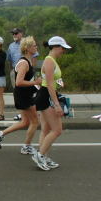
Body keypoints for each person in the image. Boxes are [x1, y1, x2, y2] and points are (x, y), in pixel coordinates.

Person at [0, 36, 42, 153]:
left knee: (25, 122)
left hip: (24, 95)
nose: (36, 47)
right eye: (34, 45)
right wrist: (35, 82)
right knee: (35, 122)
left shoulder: (28, 61)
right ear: (28, 48)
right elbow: (18, 82)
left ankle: (0, 133)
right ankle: (26, 146)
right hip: (23, 96)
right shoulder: (24, 63)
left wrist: (35, 82)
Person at [32, 36, 71, 171]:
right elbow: (48, 84)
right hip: (46, 97)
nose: (63, 51)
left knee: (46, 130)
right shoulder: (49, 61)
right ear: (56, 47)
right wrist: (57, 104)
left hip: (45, 96)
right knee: (57, 130)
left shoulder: (52, 60)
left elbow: (53, 80)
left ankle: (44, 157)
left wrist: (60, 82)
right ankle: (40, 155)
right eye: (62, 48)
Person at [7, 28, 24, 121]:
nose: (14, 35)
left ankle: (29, 112)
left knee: (27, 91)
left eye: (16, 33)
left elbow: (34, 57)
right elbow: (9, 59)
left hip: (25, 71)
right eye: (13, 34)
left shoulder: (26, 43)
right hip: (15, 70)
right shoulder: (11, 46)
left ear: (21, 34)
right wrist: (12, 71)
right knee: (17, 92)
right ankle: (20, 113)